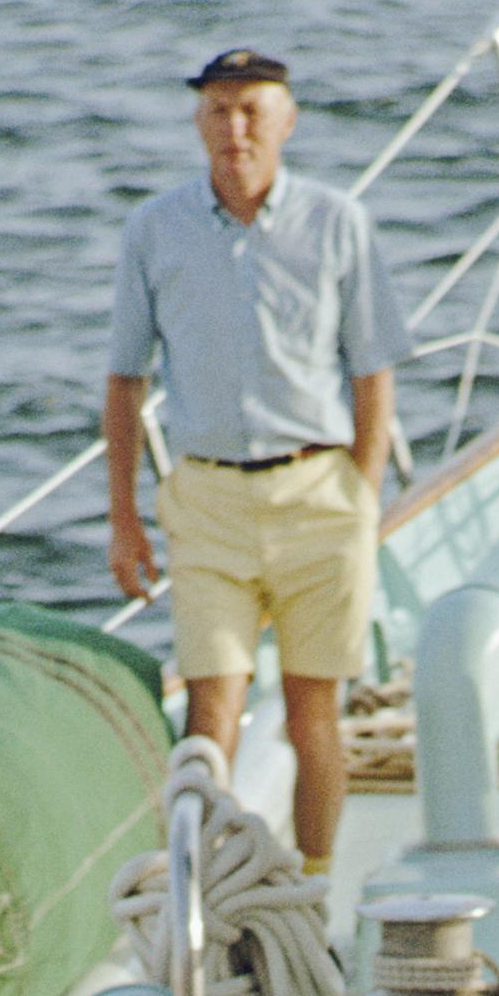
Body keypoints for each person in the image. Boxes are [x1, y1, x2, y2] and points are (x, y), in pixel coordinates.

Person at [104, 47, 409, 871]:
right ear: (198, 122)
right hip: (207, 501)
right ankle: (208, 891)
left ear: (287, 121)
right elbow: (125, 380)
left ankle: (312, 885)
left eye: (252, 110)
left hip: (319, 494)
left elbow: (372, 368)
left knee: (314, 716)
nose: (234, 128)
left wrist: (363, 495)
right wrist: (126, 520)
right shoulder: (154, 230)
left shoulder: (337, 222)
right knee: (213, 713)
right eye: (218, 110)